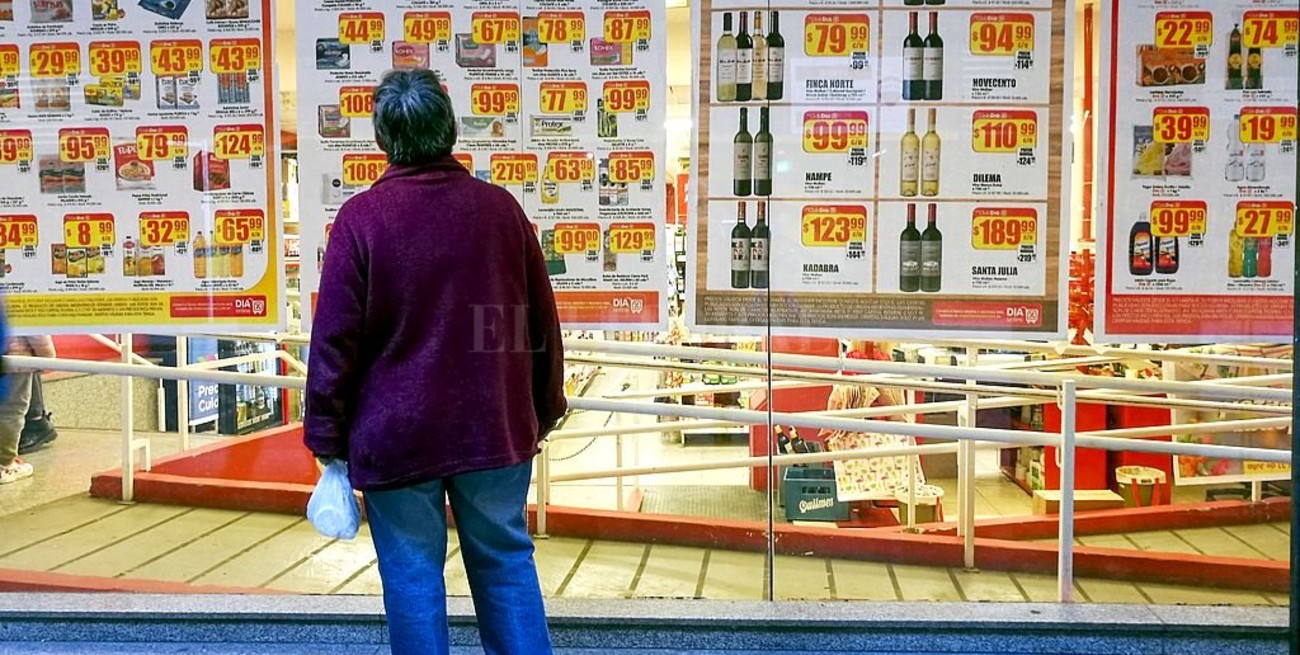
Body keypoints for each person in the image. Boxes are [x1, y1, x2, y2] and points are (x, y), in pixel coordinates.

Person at [304, 69, 566, 655]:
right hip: (493, 430)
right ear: (448, 130)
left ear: (383, 138)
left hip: (396, 438)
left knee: (413, 579)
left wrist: (326, 436)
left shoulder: (362, 219)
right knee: (505, 564)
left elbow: (334, 342)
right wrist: (543, 412)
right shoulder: (500, 211)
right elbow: (540, 324)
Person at [2, 335, 56, 484]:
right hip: (14, 362)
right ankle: (5, 464)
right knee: (11, 413)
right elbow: (36, 333)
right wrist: (47, 359)